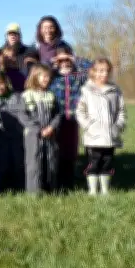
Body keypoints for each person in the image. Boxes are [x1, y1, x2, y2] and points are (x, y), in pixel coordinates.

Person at [76, 58, 126, 196]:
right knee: (93, 163)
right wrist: (88, 126)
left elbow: (121, 111)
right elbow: (80, 111)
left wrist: (118, 126)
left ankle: (104, 190)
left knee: (107, 163)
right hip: (93, 136)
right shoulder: (86, 90)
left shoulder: (115, 91)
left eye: (106, 71)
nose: (103, 74)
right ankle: (92, 190)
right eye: (100, 71)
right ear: (93, 72)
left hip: (110, 135)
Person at [19, 64, 61, 194]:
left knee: (50, 160)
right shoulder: (26, 95)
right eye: (43, 76)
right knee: (34, 162)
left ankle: (50, 188)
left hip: (50, 135)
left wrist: (52, 127)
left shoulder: (51, 95)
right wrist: (38, 130)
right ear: (35, 76)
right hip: (32, 136)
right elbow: (23, 115)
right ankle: (34, 191)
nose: (46, 79)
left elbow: (58, 114)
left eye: (48, 76)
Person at [49, 49, 87, 190]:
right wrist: (53, 60)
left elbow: (91, 68)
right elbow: (39, 70)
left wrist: (73, 57)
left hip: (72, 120)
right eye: (61, 61)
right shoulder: (53, 77)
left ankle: (69, 181)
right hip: (56, 120)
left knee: (70, 151)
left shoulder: (77, 77)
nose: (64, 63)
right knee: (56, 150)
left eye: (67, 61)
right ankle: (57, 182)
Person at [0, 70, 25, 192]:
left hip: (17, 135)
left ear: (6, 82)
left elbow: (23, 115)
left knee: (18, 160)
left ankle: (20, 186)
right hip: (2, 135)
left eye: (0, 83)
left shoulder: (17, 97)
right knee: (2, 161)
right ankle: (3, 186)